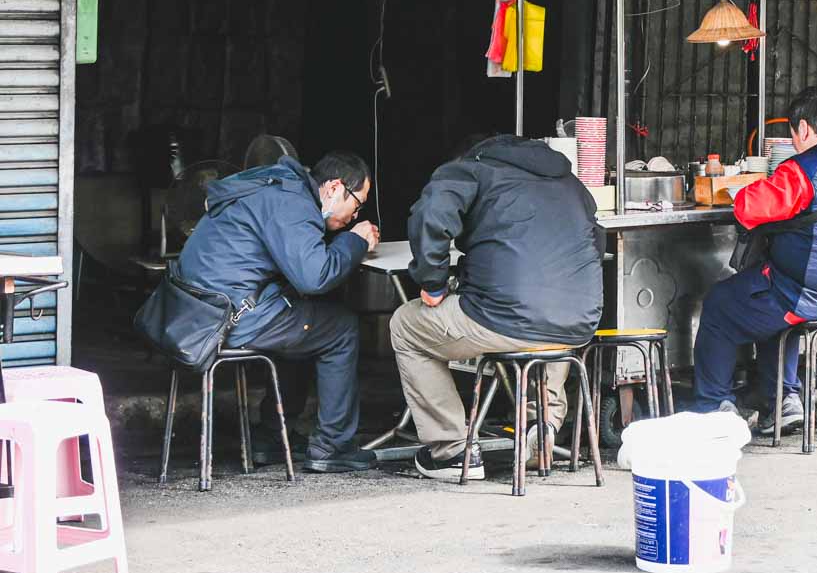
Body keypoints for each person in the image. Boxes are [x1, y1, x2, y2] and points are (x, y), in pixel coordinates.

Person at [392, 134, 605, 481]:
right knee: (548, 326)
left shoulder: (473, 170)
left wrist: (431, 281)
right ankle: (543, 426)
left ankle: (451, 449)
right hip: (578, 318)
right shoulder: (571, 184)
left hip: (504, 316)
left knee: (405, 323)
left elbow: (432, 213)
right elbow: (597, 239)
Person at [689, 86, 817, 433]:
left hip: (806, 294)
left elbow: (747, 209)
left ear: (803, 130)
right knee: (766, 294)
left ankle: (712, 408)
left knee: (721, 304)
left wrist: (749, 185)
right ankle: (782, 400)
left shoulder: (800, 171)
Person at [174, 150, 380, 473]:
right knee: (341, 329)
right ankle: (333, 445)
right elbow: (315, 276)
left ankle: (272, 436)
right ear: (335, 187)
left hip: (199, 310)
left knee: (305, 320)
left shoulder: (276, 188)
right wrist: (354, 242)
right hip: (227, 317)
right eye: (358, 203)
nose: (355, 215)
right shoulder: (293, 204)